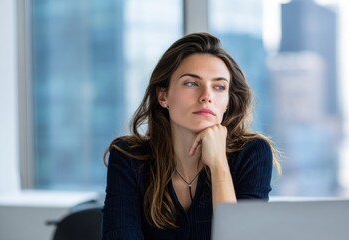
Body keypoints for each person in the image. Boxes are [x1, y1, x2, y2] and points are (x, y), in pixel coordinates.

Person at [102, 32, 281, 240]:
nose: (207, 96)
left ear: (228, 103)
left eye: (219, 87)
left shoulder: (252, 153)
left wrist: (218, 165)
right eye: (191, 83)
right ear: (163, 96)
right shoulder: (128, 157)